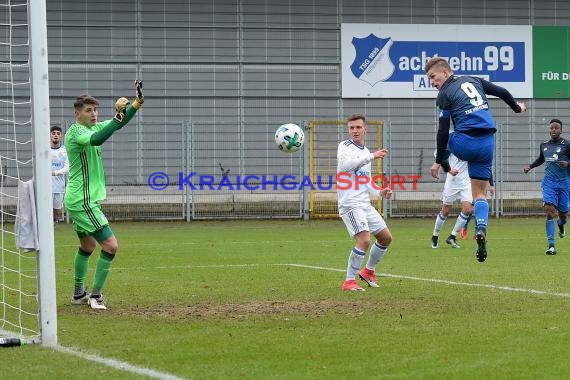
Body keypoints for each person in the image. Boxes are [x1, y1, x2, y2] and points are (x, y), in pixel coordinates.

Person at [425, 57, 527, 262]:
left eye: (432, 77)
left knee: (448, 135)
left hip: (465, 143)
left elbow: (442, 130)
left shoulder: (444, 94)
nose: (432, 82)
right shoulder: (475, 80)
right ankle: (480, 228)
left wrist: (439, 160)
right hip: (486, 144)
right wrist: (517, 108)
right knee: (480, 194)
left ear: (445, 72)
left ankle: (441, 164)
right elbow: (503, 93)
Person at [65, 80, 144, 310]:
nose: (94, 114)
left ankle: (79, 294)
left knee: (88, 246)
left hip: (81, 198)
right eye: (88, 110)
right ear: (77, 114)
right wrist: (118, 117)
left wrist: (137, 103)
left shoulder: (92, 127)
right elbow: (98, 139)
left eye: (95, 110)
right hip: (83, 201)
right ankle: (96, 296)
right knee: (111, 246)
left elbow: (117, 124)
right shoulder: (76, 132)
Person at [337, 114, 393, 291]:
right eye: (351, 128)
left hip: (364, 204)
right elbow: (346, 167)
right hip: (350, 204)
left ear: (365, 129)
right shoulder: (344, 147)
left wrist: (380, 191)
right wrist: (372, 156)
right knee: (364, 240)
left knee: (385, 238)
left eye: (358, 127)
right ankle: (349, 281)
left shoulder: (365, 151)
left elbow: (366, 180)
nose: (354, 131)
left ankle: (368, 271)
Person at [523, 118, 569, 255]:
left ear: (561, 130)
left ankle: (561, 224)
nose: (553, 130)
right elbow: (541, 159)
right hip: (549, 183)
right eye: (551, 128)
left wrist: (567, 163)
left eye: (556, 128)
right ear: (549, 130)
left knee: (563, 214)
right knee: (549, 211)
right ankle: (551, 245)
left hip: (564, 183)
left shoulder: (567, 144)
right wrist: (530, 166)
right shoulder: (544, 145)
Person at [431, 151, 472, 249]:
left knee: (467, 210)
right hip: (452, 181)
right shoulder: (450, 140)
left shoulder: (470, 140)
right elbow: (439, 154)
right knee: (445, 211)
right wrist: (449, 170)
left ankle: (452, 237)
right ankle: (435, 236)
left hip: (467, 182)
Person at [50, 125, 68, 224]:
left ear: (61, 136)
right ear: (50, 136)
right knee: (45, 211)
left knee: (56, 213)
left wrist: (55, 172)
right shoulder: (45, 150)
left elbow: (67, 168)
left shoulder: (65, 151)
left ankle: (54, 222)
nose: (56, 135)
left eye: (58, 134)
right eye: (53, 133)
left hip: (59, 187)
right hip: (46, 187)